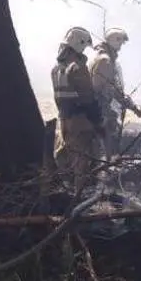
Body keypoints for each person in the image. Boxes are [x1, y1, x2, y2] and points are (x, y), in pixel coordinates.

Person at [51, 26, 104, 193]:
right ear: (79, 45)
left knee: (66, 158)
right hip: (81, 122)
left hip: (64, 120)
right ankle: (80, 199)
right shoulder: (77, 68)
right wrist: (97, 121)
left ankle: (68, 192)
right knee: (84, 162)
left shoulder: (56, 69)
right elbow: (88, 98)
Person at [89, 27, 141, 160]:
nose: (121, 46)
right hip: (103, 111)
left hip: (97, 110)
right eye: (120, 42)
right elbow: (110, 90)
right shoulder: (105, 61)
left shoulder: (100, 58)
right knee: (109, 148)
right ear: (114, 41)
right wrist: (132, 106)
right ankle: (108, 172)